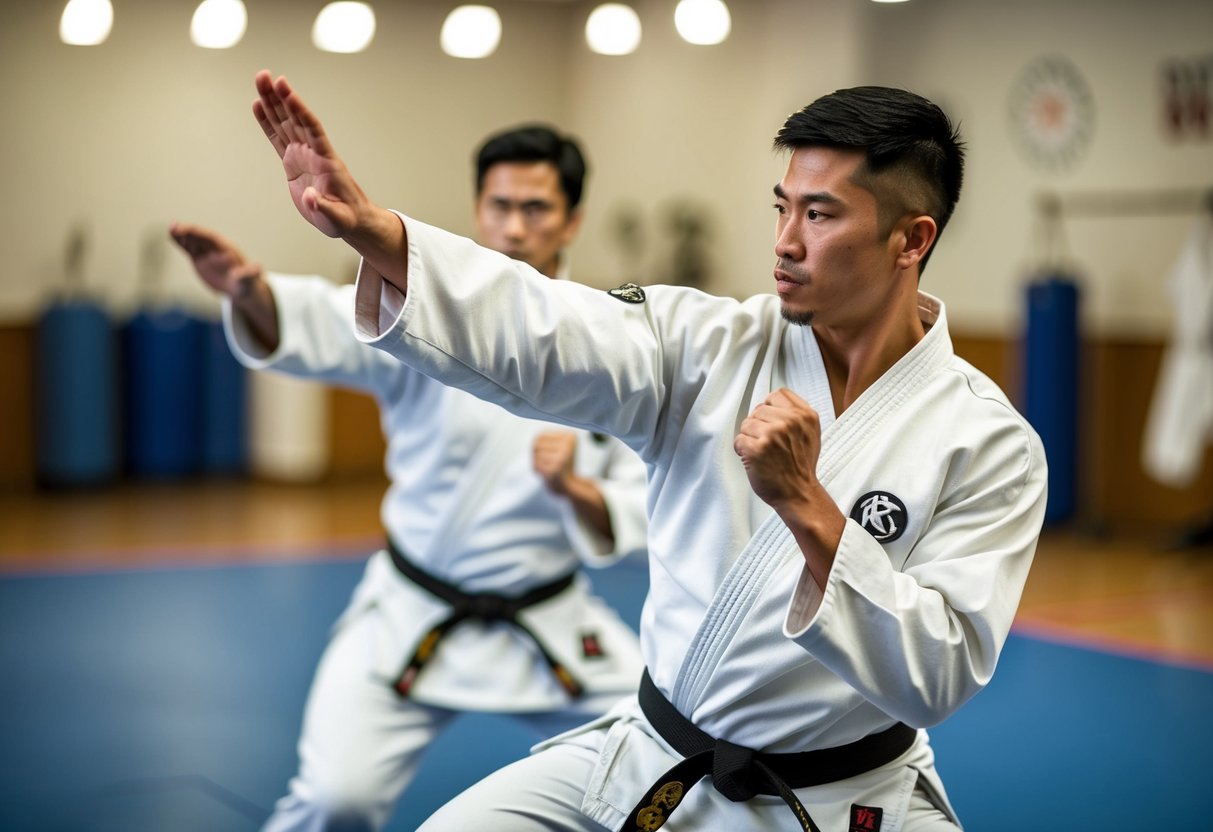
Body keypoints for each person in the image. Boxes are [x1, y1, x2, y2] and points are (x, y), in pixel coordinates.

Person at [249, 69, 1049, 831]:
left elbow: (939, 671)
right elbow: (545, 326)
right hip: (656, 754)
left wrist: (805, 503)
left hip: (846, 799)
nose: (784, 243)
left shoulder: (987, 444)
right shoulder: (706, 344)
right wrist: (382, 235)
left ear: (911, 240)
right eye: (781, 207)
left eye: (819, 215)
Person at [170, 121, 650, 832]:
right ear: (477, 209)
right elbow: (318, 324)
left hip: (550, 621)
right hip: (410, 612)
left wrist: (582, 494)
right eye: (499, 206)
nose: (513, 227)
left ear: (571, 220)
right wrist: (251, 296)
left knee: (661, 758)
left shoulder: (612, 336)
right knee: (338, 801)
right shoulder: (424, 312)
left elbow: (648, 497)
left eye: (535, 208)